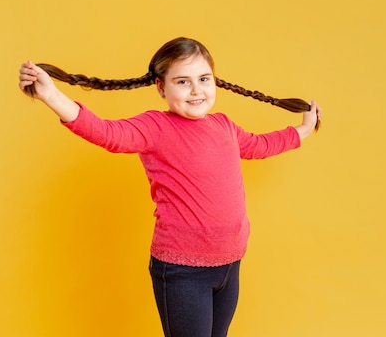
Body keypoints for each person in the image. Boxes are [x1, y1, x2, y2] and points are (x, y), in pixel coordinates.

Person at [18, 37, 321, 337]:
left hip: (229, 264)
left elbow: (259, 145)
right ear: (162, 87)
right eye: (182, 81)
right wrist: (51, 96)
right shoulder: (155, 127)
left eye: (203, 79)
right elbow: (107, 133)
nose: (196, 90)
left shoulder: (224, 126)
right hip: (183, 272)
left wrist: (303, 130)